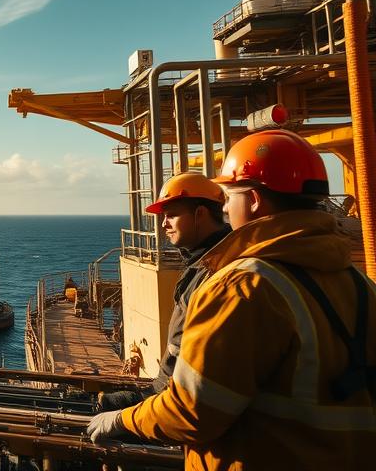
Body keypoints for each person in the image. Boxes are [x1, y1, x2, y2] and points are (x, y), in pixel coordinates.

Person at [87, 129, 376, 468]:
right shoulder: (357, 281)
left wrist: (123, 420)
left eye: (229, 195)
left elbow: (192, 410)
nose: (225, 205)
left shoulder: (243, 285)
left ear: (252, 199)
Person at [98, 172, 230, 411]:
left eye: (171, 215)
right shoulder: (201, 263)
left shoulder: (215, 274)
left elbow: (194, 385)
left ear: (200, 214)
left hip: (181, 409)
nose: (163, 224)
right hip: (169, 399)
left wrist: (129, 415)